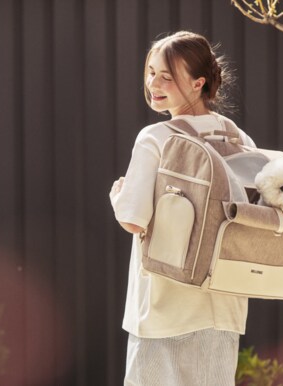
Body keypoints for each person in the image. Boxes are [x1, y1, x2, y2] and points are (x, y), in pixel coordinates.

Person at [110, 31, 256, 386]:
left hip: (164, 304)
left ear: (197, 83)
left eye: (168, 76)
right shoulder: (237, 137)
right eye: (151, 72)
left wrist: (117, 197)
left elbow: (133, 220)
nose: (154, 84)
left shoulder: (156, 137)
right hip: (222, 306)